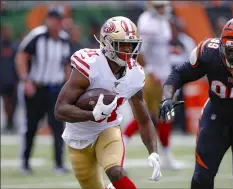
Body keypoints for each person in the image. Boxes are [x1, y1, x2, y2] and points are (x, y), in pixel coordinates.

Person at [158, 17, 233, 189]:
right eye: (228, 50)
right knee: (202, 178)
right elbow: (179, 74)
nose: (231, 56)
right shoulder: (209, 51)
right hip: (217, 118)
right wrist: (167, 97)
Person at [54, 16, 162, 189]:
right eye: (122, 44)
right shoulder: (89, 65)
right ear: (107, 43)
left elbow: (143, 119)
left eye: (131, 44)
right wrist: (92, 114)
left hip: (108, 129)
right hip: (78, 137)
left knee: (116, 171)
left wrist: (153, 152)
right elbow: (60, 110)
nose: (128, 49)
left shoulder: (135, 74)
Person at [122, 0, 182, 170]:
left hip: (163, 75)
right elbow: (139, 51)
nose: (163, 9)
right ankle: (122, 146)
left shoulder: (162, 22)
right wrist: (150, 70)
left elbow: (158, 49)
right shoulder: (147, 21)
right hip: (153, 76)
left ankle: (167, 156)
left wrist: (170, 52)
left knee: (163, 116)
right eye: (159, 6)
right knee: (149, 116)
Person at [15, 6, 71, 174]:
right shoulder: (37, 36)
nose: (57, 23)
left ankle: (59, 164)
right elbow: (21, 56)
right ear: (48, 19)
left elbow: (67, 64)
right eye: (55, 19)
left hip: (55, 90)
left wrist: (68, 87)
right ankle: (25, 163)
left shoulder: (64, 39)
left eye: (60, 19)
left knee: (57, 127)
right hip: (36, 87)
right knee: (31, 126)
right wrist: (26, 80)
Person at [0, 24, 18, 134]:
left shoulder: (14, 46)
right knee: (6, 101)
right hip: (3, 79)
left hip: (13, 79)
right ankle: (8, 122)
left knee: (14, 102)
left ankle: (11, 122)